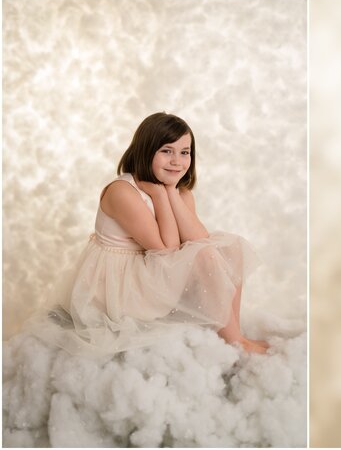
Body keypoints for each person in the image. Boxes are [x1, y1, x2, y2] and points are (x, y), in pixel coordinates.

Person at [29, 112, 268, 356]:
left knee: (229, 248)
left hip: (150, 275)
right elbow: (167, 250)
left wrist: (172, 192)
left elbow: (199, 239)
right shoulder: (122, 192)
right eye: (167, 150)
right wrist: (159, 196)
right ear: (146, 151)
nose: (177, 161)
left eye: (185, 152)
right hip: (120, 291)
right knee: (205, 256)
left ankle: (233, 333)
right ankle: (236, 341)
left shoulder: (178, 192)